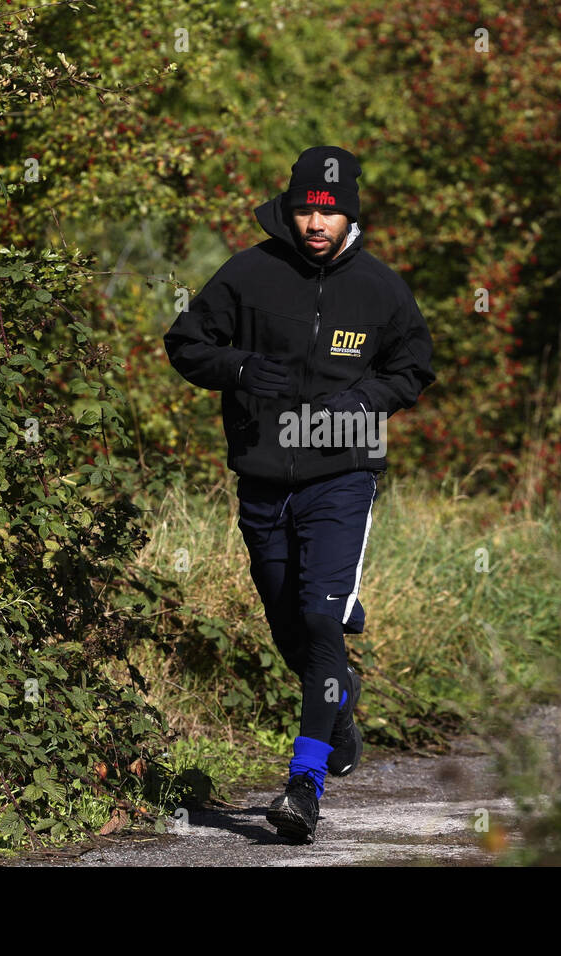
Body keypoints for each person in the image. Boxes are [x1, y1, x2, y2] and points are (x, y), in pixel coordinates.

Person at [163, 145, 436, 843]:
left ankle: (303, 786)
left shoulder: (380, 289)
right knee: (291, 626)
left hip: (342, 476)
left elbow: (414, 367)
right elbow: (187, 344)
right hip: (261, 478)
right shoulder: (250, 274)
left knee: (319, 617)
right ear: (292, 209)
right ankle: (339, 707)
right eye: (308, 209)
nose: (318, 222)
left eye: (331, 210)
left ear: (351, 214)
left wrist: (360, 402)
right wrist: (245, 368)